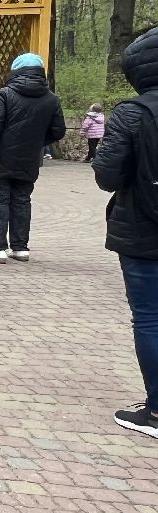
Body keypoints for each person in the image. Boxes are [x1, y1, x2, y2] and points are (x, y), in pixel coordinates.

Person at [94, 25, 158, 438]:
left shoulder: (133, 113)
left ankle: (154, 411)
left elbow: (108, 175)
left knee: (151, 317)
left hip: (145, 228)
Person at [0, 52, 66, 264]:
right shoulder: (52, 99)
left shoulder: (4, 94)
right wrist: (37, 142)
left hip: (0, 158)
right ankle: (20, 248)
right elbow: (58, 131)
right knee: (22, 200)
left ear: (15, 71)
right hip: (30, 159)